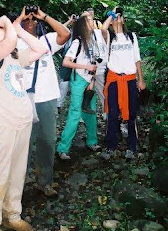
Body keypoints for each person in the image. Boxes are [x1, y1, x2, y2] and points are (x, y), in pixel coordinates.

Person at [0, 16, 48, 231]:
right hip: (1, 125)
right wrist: (8, 23)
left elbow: (40, 48)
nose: (5, 30)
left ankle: (12, 215)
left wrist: (18, 28)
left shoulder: (14, 57)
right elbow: (8, 41)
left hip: (22, 124)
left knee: (17, 173)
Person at [16, 6, 70, 195]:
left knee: (47, 141)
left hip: (46, 98)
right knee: (23, 144)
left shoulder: (47, 40)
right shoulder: (15, 42)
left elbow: (65, 33)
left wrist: (44, 16)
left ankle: (44, 180)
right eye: (27, 19)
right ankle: (18, 183)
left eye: (34, 19)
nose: (31, 21)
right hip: (23, 100)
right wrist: (20, 17)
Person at [100, 9, 146, 160]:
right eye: (115, 18)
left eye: (120, 17)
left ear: (124, 20)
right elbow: (103, 28)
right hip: (114, 79)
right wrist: (112, 14)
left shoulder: (131, 37)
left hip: (129, 79)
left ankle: (132, 147)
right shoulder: (109, 37)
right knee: (112, 113)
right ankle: (110, 145)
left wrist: (141, 79)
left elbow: (137, 59)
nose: (117, 19)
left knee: (131, 113)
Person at [57, 13, 101, 160]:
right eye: (89, 20)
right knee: (75, 113)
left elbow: (95, 63)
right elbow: (66, 62)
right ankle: (63, 148)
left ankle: (92, 141)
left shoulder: (94, 41)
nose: (92, 21)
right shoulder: (78, 42)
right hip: (79, 79)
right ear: (83, 25)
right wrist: (84, 66)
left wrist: (93, 81)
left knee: (90, 111)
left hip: (89, 81)